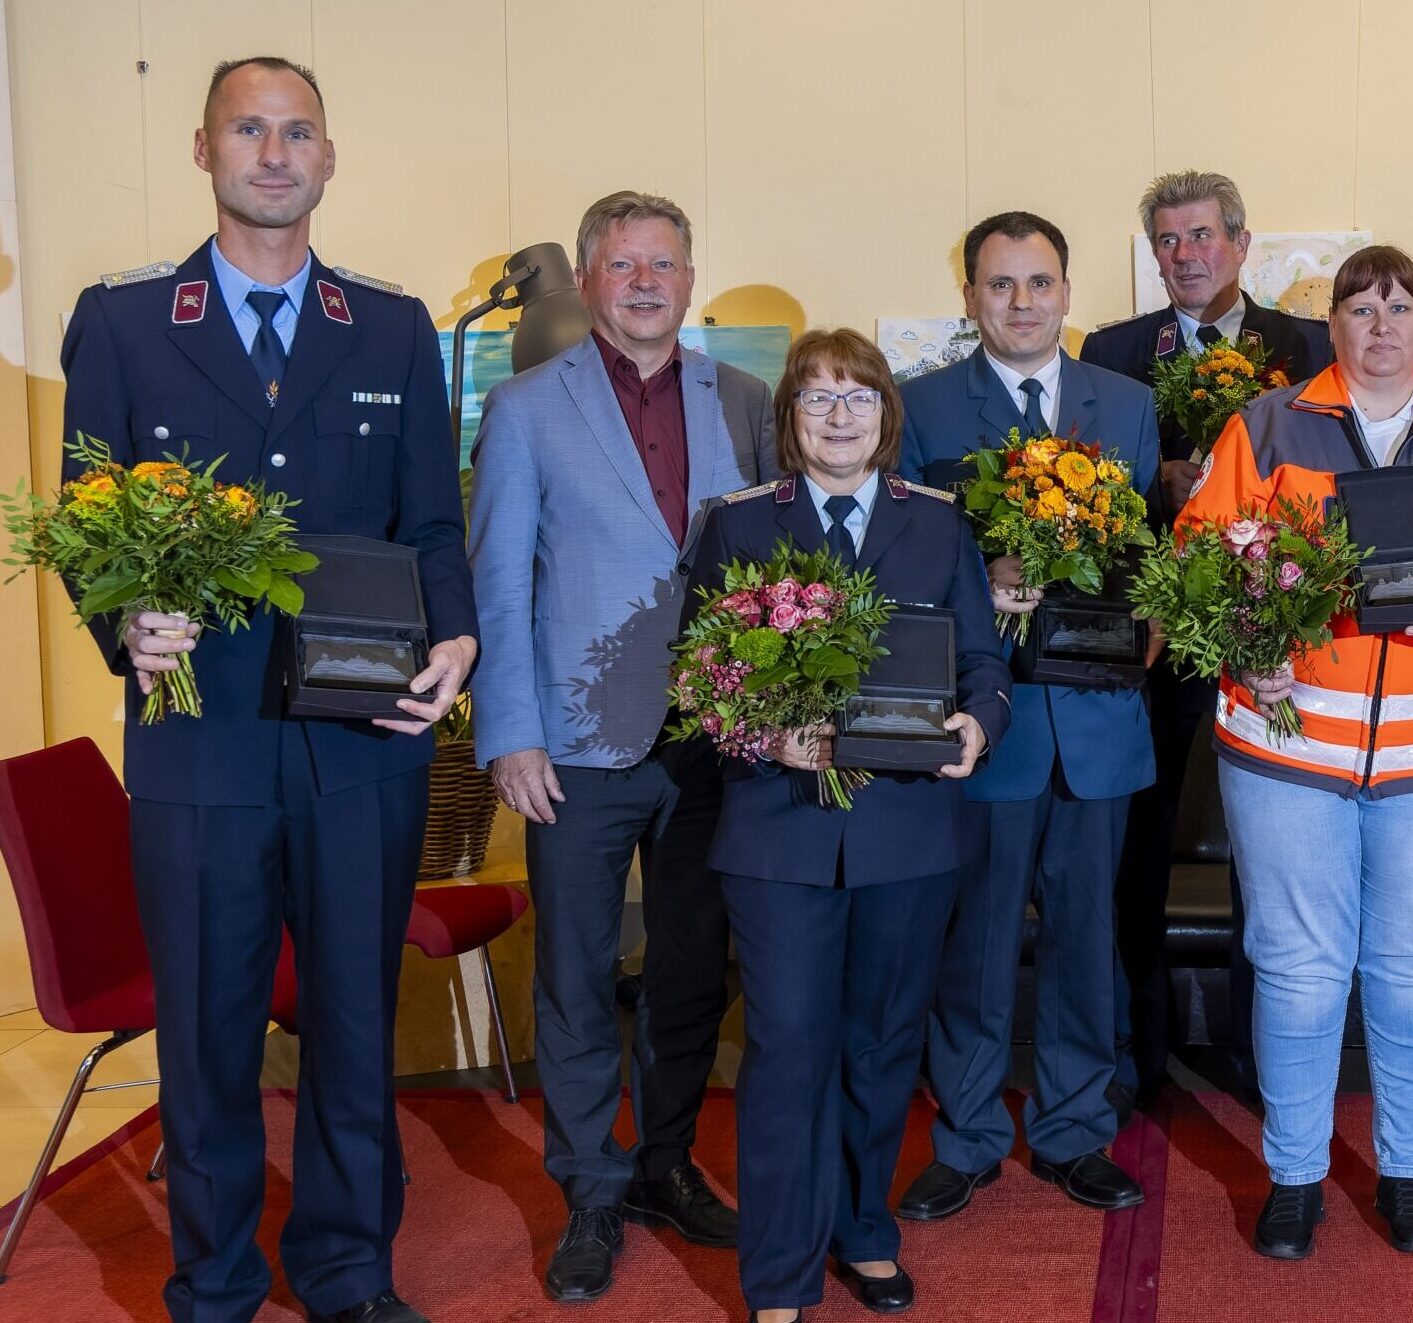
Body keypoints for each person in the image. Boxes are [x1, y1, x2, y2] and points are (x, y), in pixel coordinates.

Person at [58, 57, 474, 1323]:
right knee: (208, 1034)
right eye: (251, 129)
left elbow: (434, 527)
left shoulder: (391, 325)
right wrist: (121, 616)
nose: (275, 152)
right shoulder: (127, 320)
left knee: (356, 1022)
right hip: (201, 744)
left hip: (363, 743)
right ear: (205, 149)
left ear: (330, 157)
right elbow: (87, 523)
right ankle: (219, 1281)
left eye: (298, 132)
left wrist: (455, 641)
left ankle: (349, 1272)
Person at [1181, 244, 1413, 1260]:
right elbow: (1197, 555)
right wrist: (1245, 657)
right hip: (1287, 747)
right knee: (1298, 971)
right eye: (1360, 307)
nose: (1381, 323)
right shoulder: (1264, 425)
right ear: (1332, 326)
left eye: (1400, 304)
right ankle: (1295, 1174)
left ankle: (1406, 1172)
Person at [468, 190, 773, 1302]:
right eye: (622, 263)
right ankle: (590, 1191)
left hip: (711, 741)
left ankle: (663, 1164)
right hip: (575, 749)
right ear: (590, 279)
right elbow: (497, 583)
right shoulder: (525, 409)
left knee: (693, 972)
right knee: (576, 979)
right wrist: (508, 733)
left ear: (690, 281)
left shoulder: (745, 400)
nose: (645, 282)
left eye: (665, 264)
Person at [686, 328, 1010, 1323]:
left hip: (908, 832)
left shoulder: (939, 526)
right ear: (789, 418)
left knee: (880, 1046)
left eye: (857, 398)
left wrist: (976, 727)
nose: (839, 416)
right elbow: (698, 676)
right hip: (778, 836)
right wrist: (763, 738)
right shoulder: (738, 526)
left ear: (885, 415)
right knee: (787, 1049)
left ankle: (866, 1230)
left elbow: (985, 670)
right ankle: (780, 1271)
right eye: (818, 398)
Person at [896, 211, 1160, 1221]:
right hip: (983, 724)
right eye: (999, 285)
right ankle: (965, 1138)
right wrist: (977, 581)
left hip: (1098, 719)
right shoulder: (919, 408)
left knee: (1087, 943)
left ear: (1065, 290)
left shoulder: (1125, 406)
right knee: (976, 943)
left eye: (1038, 283)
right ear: (968, 296)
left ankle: (1073, 1128)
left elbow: (1143, 554)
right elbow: (905, 561)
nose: (1020, 302)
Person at [1080, 170, 1335, 1114]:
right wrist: (1160, 484)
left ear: (1240, 243)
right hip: (1151, 634)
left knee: (1270, 848)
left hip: (1275, 632)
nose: (1184, 256)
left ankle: (1264, 1052)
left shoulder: (1306, 347)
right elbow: (1086, 493)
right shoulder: (1109, 351)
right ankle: (1138, 1054)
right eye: (1167, 243)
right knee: (1137, 845)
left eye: (1200, 238)